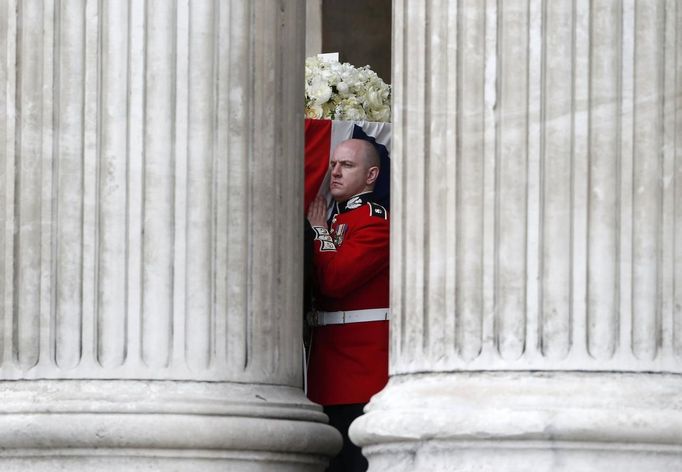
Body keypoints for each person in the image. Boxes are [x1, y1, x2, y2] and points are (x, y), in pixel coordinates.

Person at [306, 138, 390, 472]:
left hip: (358, 372)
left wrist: (319, 233)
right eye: (333, 165)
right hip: (327, 369)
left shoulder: (374, 221)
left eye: (347, 165)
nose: (335, 173)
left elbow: (335, 281)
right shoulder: (339, 218)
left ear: (371, 175)